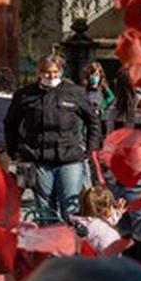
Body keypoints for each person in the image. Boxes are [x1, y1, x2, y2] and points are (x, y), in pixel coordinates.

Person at [9, 54, 102, 227]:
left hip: (69, 158)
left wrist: (90, 150)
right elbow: (10, 123)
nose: (51, 76)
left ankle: (71, 248)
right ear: (39, 72)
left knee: (71, 208)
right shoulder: (25, 95)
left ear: (60, 71)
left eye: (55, 72)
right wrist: (14, 150)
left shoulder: (74, 92)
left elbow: (93, 121)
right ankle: (48, 249)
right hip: (38, 159)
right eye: (46, 72)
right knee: (45, 210)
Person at [71, 183, 124, 253]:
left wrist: (118, 213)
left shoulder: (75, 225)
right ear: (106, 211)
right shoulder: (107, 234)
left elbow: (105, 221)